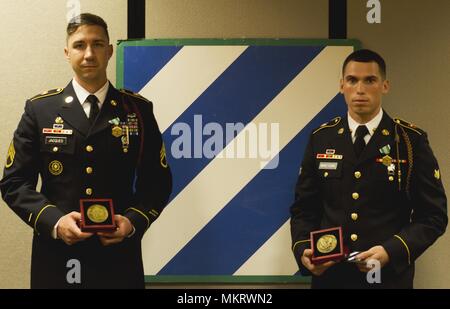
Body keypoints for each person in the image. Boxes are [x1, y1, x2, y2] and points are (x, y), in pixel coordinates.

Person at [0, 13, 172, 288]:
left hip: (118, 258)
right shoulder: (40, 110)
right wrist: (54, 222)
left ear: (110, 51)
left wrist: (132, 222)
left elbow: (158, 181)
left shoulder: (137, 110)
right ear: (67, 53)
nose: (89, 53)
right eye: (80, 45)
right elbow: (14, 182)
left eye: (98, 44)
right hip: (57, 257)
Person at [290, 49, 447, 288]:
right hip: (332, 279)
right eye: (352, 80)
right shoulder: (322, 138)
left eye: (370, 80)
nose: (360, 89)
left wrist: (391, 251)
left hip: (388, 279)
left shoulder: (409, 141)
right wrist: (304, 250)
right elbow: (304, 209)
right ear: (342, 85)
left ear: (385, 86)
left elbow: (433, 216)